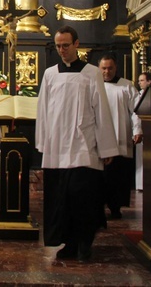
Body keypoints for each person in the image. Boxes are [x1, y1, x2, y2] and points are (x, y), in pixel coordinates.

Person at [35, 26, 119, 262]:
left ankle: (84, 242)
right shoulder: (50, 74)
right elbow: (43, 110)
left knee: (82, 197)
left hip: (84, 144)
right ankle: (68, 244)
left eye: (65, 45)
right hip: (57, 146)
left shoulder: (91, 73)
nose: (61, 50)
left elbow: (101, 110)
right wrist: (43, 142)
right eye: (58, 46)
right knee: (61, 198)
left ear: (76, 44)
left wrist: (106, 147)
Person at [98, 54, 142, 220]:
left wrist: (137, 130)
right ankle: (98, 207)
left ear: (115, 68)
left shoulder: (127, 85)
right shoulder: (93, 85)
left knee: (118, 175)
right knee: (100, 177)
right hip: (99, 138)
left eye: (110, 68)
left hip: (120, 135)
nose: (107, 72)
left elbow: (136, 110)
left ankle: (116, 207)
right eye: (103, 68)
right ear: (99, 69)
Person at [134, 71, 151, 192]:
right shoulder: (139, 94)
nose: (139, 83)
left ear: (149, 82)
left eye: (142, 80)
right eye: (139, 80)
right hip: (140, 128)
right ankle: (140, 184)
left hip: (149, 129)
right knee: (140, 158)